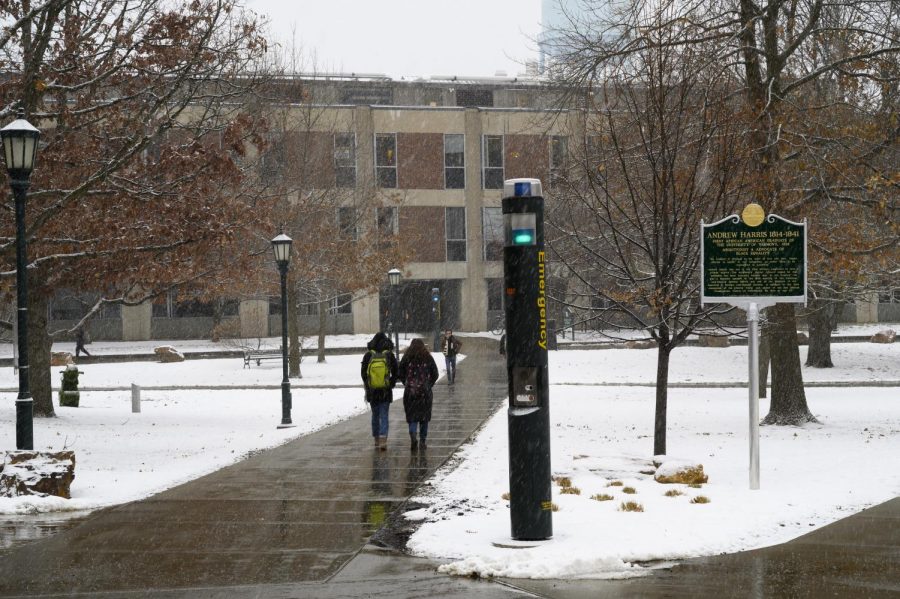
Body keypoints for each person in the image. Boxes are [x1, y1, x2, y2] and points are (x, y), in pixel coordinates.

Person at [398, 338, 438, 450]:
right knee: (424, 418)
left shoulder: (407, 357)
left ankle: (413, 435)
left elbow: (400, 372)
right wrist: (428, 384)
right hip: (425, 394)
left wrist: (407, 383)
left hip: (410, 393)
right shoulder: (428, 357)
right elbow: (435, 373)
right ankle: (423, 441)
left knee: (412, 417)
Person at [361, 332, 398, 450]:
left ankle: (376, 439)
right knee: (384, 415)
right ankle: (383, 439)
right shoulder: (389, 355)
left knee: (375, 415)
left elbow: (363, 374)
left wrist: (368, 385)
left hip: (373, 391)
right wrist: (390, 383)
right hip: (385, 391)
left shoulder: (368, 355)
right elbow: (396, 372)